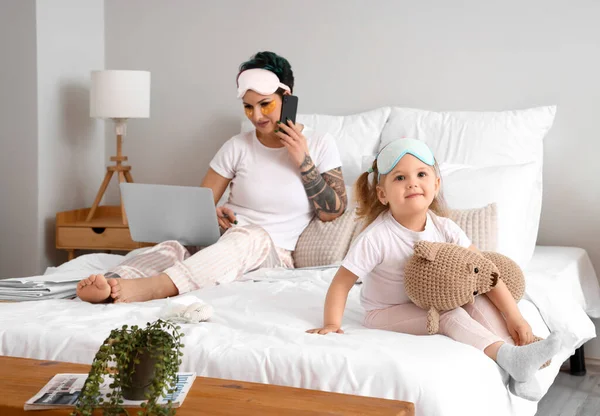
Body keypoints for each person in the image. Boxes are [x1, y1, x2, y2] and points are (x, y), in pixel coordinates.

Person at [76, 51, 347, 304]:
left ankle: (157, 287)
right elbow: (199, 207)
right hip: (222, 242)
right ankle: (113, 283)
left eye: (265, 104)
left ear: (287, 98)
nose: (257, 116)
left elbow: (332, 212)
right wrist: (213, 216)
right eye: (248, 107)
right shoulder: (237, 146)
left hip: (271, 254)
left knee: (249, 237)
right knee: (174, 246)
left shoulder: (320, 143)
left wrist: (304, 161)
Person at [306, 138, 561, 401]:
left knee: (478, 302)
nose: (412, 183)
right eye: (400, 178)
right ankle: (507, 356)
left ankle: (521, 359)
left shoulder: (444, 227)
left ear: (436, 184)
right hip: (386, 312)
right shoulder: (376, 237)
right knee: (449, 314)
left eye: (421, 174)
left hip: (430, 299)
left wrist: (515, 317)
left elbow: (485, 271)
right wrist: (332, 324)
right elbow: (341, 283)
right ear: (382, 194)